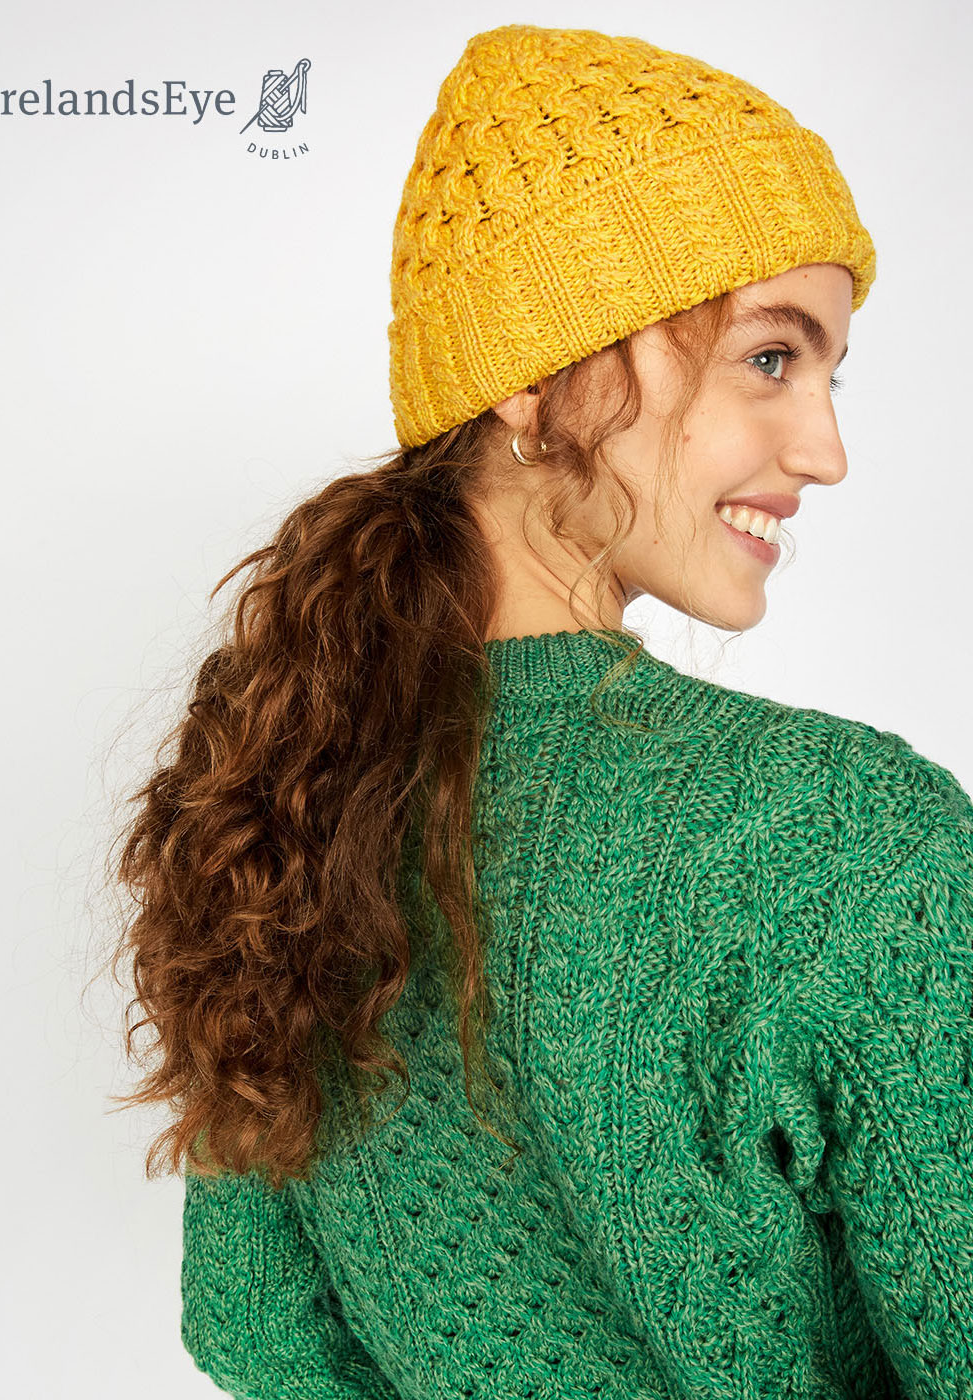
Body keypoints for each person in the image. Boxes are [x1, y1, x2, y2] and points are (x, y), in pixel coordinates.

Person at [108, 22, 973, 1398]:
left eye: (831, 373)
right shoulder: (853, 841)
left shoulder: (286, 810)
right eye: (770, 357)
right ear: (537, 373)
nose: (826, 450)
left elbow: (256, 1327)